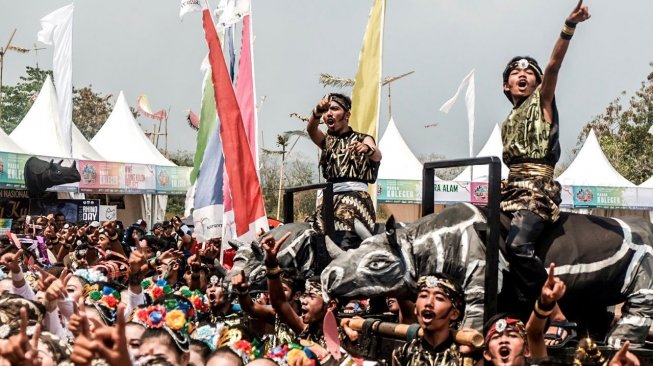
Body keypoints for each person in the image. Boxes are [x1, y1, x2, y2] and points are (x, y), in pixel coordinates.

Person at [499, 0, 590, 328]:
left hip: (538, 190)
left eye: (529, 73)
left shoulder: (543, 102)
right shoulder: (508, 119)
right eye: (515, 73)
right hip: (510, 190)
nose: (522, 75)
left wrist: (569, 26)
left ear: (538, 84)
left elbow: (553, 65)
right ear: (506, 86)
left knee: (518, 245)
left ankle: (556, 312)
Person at [306, 93, 382, 250]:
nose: (329, 113)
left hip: (355, 199)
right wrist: (317, 111)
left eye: (334, 109)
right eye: (326, 110)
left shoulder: (362, 138)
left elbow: (377, 154)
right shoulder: (326, 141)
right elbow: (311, 129)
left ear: (347, 115)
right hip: (329, 199)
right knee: (317, 237)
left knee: (345, 224)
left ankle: (371, 250)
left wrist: (366, 149)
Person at [391, 274, 465, 366]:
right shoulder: (403, 354)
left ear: (454, 314)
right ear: (415, 308)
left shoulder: (464, 357)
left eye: (439, 298)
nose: (429, 303)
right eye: (423, 296)